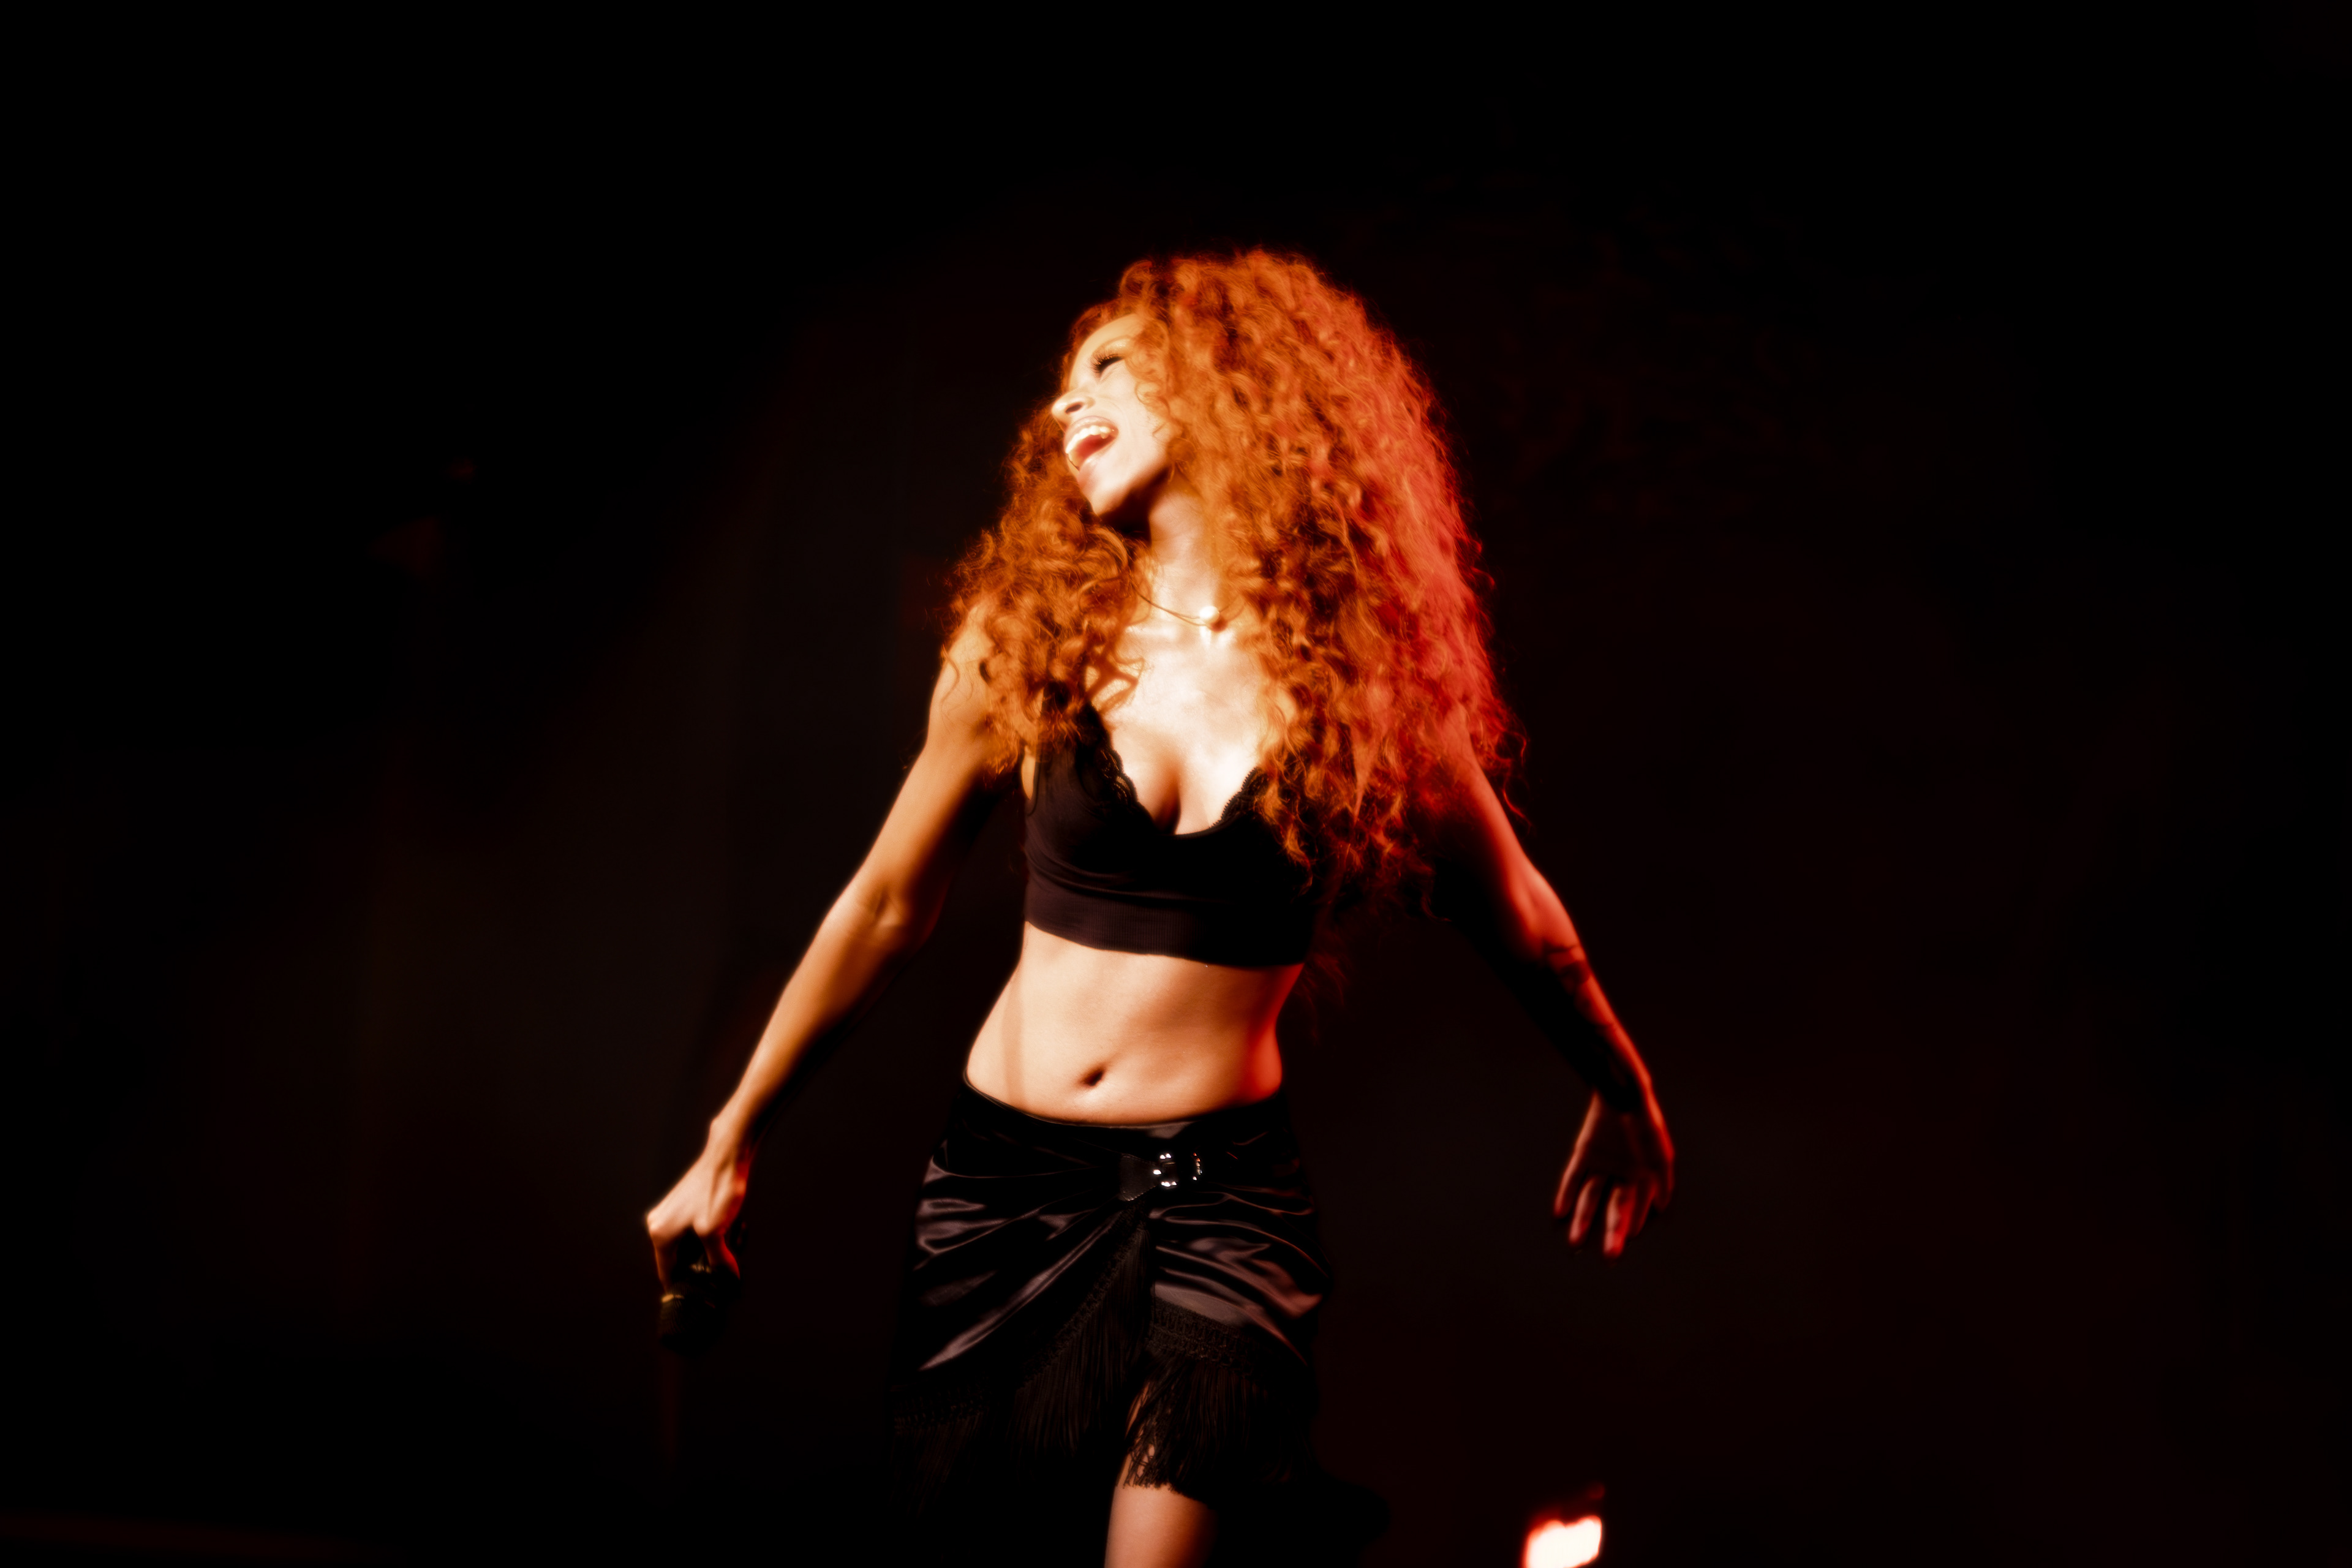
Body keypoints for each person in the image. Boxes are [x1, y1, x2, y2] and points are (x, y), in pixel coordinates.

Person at [645, 252, 1675, 1566]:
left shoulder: (1367, 691)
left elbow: (1524, 919)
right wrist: (732, 1134)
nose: (1065, 402)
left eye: (1112, 367)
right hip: (1005, 1191)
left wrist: (1622, 1085)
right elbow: (887, 903)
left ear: (1230, 388)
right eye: (1062, 381)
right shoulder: (1029, 638)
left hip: (1217, 1204)